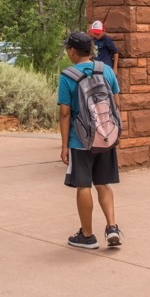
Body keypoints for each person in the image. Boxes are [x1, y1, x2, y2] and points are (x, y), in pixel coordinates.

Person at [58, 31, 122, 250]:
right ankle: (112, 227)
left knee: (83, 184)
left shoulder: (68, 76)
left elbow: (65, 113)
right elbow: (116, 104)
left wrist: (64, 145)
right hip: (105, 136)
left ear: (73, 51)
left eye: (68, 48)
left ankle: (87, 236)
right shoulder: (106, 71)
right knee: (103, 183)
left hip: (80, 140)